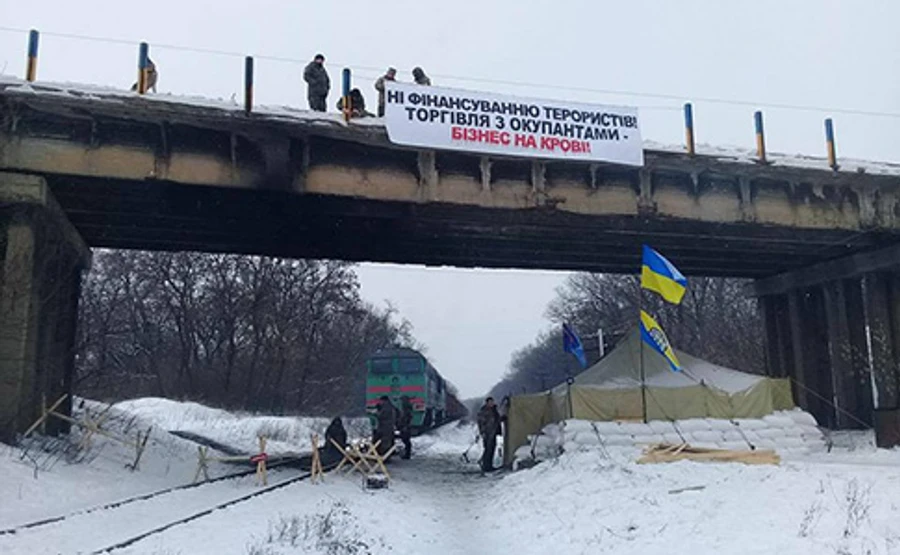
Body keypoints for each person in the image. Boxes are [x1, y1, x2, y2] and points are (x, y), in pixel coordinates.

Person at [477, 397, 502, 472]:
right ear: (487, 403)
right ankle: (486, 466)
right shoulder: (484, 411)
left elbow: (496, 420)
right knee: (488, 449)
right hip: (487, 433)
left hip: (493, 432)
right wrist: (483, 432)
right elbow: (481, 423)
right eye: (490, 402)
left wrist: (502, 418)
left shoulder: (494, 410)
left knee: (492, 449)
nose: (492, 403)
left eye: (492, 402)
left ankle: (489, 465)